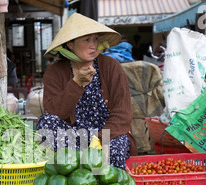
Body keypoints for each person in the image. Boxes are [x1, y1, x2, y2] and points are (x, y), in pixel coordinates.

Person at [37, 13, 137, 169]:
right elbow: (54, 113)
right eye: (87, 40)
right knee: (46, 121)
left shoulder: (111, 66)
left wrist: (98, 142)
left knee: (114, 152)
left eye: (96, 39)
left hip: (108, 135)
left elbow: (122, 114)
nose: (93, 45)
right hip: (74, 138)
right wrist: (76, 83)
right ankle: (75, 173)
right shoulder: (54, 72)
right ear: (70, 44)